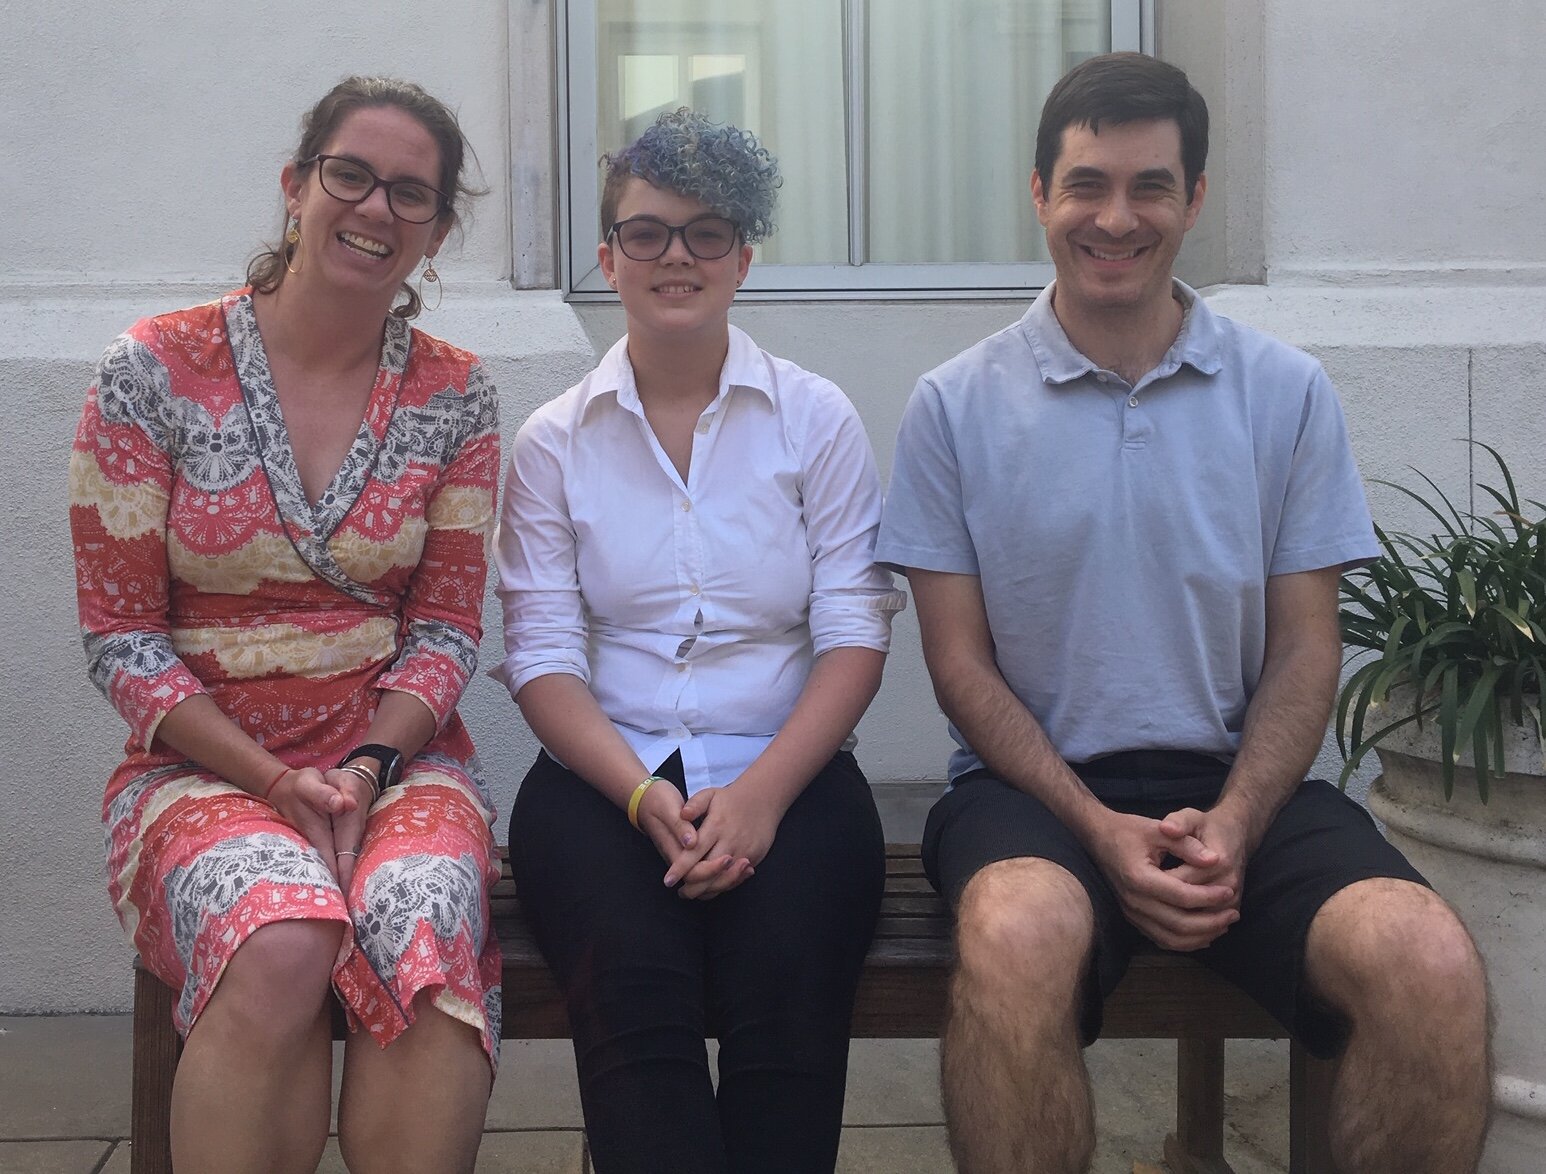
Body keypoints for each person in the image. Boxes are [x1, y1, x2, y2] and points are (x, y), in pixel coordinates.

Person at [875, 52, 1491, 1174]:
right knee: (1015, 939)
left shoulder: (1285, 391)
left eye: (1149, 186)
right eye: (1086, 184)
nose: (1117, 217)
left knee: (1427, 958)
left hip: (1242, 785)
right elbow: (958, 666)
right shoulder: (953, 406)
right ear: (1038, 195)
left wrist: (1238, 821)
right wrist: (1099, 829)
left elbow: (1308, 647)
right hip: (1034, 797)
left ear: (1194, 199)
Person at [70, 77, 502, 1174]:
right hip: (202, 765)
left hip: (392, 762)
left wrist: (362, 767)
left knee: (424, 911)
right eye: (350, 173)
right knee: (282, 930)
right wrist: (270, 780)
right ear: (297, 184)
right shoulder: (152, 369)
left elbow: (447, 630)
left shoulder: (456, 394)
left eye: (413, 193)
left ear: (438, 229)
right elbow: (120, 637)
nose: (376, 207)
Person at [494, 108, 904, 1174]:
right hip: (601, 781)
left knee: (789, 1010)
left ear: (744, 253)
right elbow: (540, 654)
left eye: (705, 231)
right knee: (634, 1010)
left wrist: (764, 796)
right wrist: (638, 793)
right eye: (646, 231)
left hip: (792, 769)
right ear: (606, 256)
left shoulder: (814, 419)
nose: (675, 255)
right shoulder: (553, 442)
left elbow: (854, 631)